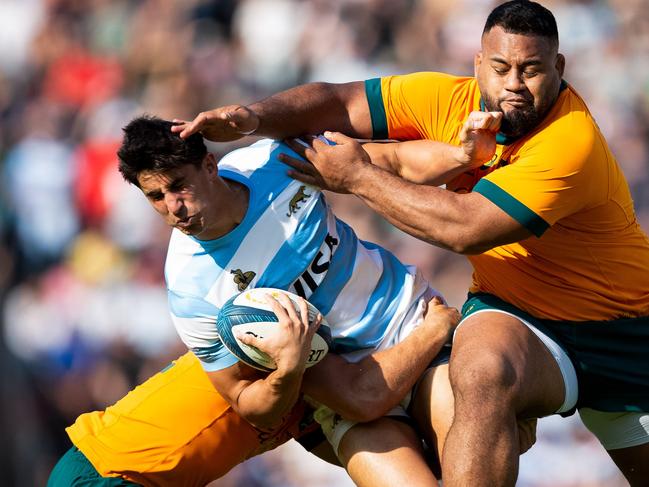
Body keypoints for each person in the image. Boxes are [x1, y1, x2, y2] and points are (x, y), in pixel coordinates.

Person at [171, 1, 649, 486]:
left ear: (559, 68)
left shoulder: (571, 139)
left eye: (531, 70)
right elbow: (340, 103)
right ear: (478, 65)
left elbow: (466, 228)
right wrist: (254, 118)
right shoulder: (445, 99)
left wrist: (359, 177)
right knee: (482, 372)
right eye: (501, 68)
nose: (514, 86)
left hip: (629, 330)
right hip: (522, 317)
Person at [116, 116, 471, 487]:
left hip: (411, 319)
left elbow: (391, 161)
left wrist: (460, 156)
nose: (173, 207)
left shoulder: (272, 164)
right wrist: (287, 371)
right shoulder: (190, 290)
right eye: (156, 196)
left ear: (209, 166)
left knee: (472, 473)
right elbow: (245, 400)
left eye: (178, 186)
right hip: (344, 395)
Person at [47, 297, 458, 487]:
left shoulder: (309, 401)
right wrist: (434, 330)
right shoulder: (265, 344)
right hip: (109, 468)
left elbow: (353, 447)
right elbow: (368, 393)